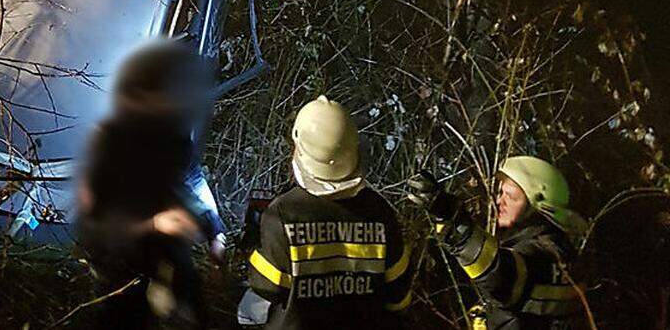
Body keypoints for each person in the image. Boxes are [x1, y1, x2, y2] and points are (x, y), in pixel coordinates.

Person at [75, 40, 224, 328]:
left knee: (194, 316)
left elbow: (193, 179)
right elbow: (95, 227)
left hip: (168, 253)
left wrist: (215, 233)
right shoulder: (107, 142)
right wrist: (153, 224)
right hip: (120, 266)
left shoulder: (174, 137)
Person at [242, 96, 415, 328]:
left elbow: (265, 292)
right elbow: (399, 298)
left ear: (299, 150)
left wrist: (254, 243)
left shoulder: (283, 213)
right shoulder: (380, 212)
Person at [407, 156, 584, 329]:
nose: (499, 201)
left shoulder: (545, 252)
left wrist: (454, 221)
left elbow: (498, 275)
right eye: (500, 193)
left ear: (537, 206)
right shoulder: (561, 249)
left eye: (512, 197)